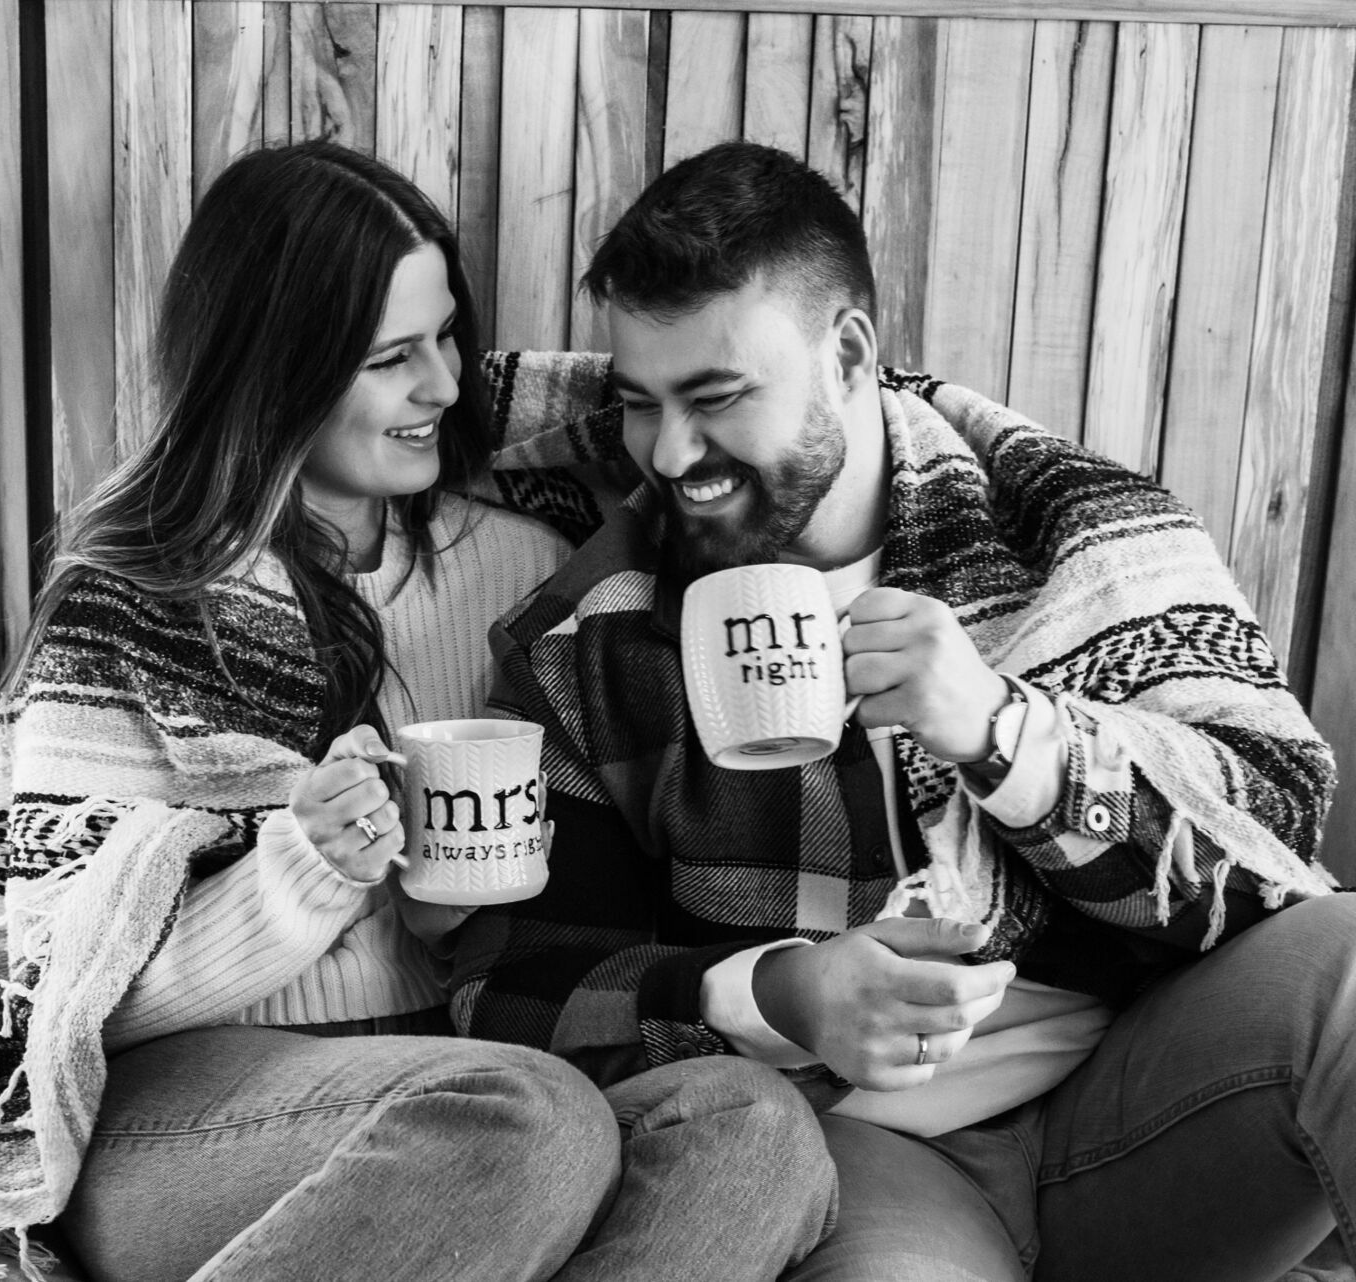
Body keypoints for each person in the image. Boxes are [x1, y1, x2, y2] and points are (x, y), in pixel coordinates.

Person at [0, 140, 834, 1282]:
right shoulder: (139, 601)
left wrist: (466, 906)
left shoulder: (528, 562)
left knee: (751, 1126)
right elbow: (60, 984)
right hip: (191, 1105)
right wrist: (297, 872)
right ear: (281, 371)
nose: (447, 386)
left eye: (449, 336)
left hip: (461, 1061)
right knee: (528, 1117)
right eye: (392, 358)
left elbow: (775, 399)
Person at [451, 139, 1355, 1282]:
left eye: (717, 398)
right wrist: (778, 991)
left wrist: (1005, 731)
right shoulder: (590, 637)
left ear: (847, 353)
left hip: (1145, 1080)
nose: (672, 454)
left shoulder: (1068, 529)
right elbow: (510, 989)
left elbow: (1272, 831)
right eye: (639, 404)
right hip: (869, 1141)